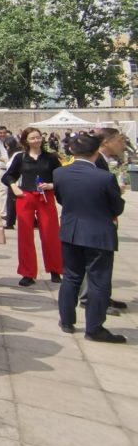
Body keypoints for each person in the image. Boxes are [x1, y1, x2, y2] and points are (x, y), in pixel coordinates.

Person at [55, 134, 126, 343]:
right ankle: (94, 327)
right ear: (96, 152)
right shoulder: (104, 177)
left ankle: (67, 320)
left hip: (71, 231)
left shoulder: (60, 173)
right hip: (98, 233)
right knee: (98, 281)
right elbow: (117, 207)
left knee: (71, 277)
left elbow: (61, 198)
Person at [2, 127, 63, 286]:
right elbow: (8, 176)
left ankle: (55, 269)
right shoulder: (21, 158)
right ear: (25, 141)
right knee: (25, 236)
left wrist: (51, 185)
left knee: (50, 233)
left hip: (45, 197)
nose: (36, 140)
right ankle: (27, 273)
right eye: (32, 138)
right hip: (26, 196)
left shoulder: (51, 158)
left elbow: (62, 177)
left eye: (38, 137)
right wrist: (14, 187)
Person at [79, 129, 129, 312]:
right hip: (95, 219)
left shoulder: (103, 161)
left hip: (101, 218)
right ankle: (92, 299)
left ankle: (102, 297)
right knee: (96, 263)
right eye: (119, 140)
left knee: (102, 263)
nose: (122, 144)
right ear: (106, 142)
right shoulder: (95, 161)